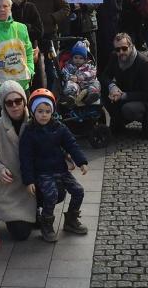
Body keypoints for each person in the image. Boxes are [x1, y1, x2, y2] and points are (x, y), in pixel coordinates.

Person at [19, 89, 89, 243]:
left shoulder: (59, 127)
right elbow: (26, 158)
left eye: (47, 111)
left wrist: (81, 161)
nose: (44, 115)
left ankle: (71, 220)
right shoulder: (29, 132)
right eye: (40, 111)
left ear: (52, 112)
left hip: (60, 169)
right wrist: (29, 180)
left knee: (78, 191)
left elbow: (71, 144)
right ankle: (47, 224)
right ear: (33, 112)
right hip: (43, 172)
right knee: (51, 195)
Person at [0, 81, 37, 240]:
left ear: (24, 101)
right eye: (9, 102)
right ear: (3, 105)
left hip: (34, 184)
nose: (15, 106)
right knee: (21, 234)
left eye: (18, 101)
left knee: (58, 189)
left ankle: (38, 212)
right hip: (11, 189)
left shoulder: (37, 120)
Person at [100, 33, 148, 140]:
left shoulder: (144, 63)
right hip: (124, 93)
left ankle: (144, 121)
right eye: (118, 49)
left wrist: (123, 96)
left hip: (146, 101)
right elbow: (105, 75)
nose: (121, 52)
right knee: (104, 92)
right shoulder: (114, 56)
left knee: (128, 109)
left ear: (131, 46)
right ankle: (118, 123)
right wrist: (112, 86)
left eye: (124, 48)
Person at [60, 41, 100, 106]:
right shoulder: (69, 66)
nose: (78, 60)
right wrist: (70, 77)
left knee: (95, 83)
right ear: (72, 58)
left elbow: (93, 73)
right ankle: (71, 97)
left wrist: (81, 77)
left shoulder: (88, 65)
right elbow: (64, 73)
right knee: (69, 84)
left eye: (81, 58)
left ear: (85, 59)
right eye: (75, 57)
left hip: (86, 84)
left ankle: (92, 95)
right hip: (76, 85)